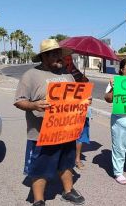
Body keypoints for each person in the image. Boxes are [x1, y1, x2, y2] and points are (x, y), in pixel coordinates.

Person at [14, 39, 85, 206]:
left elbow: (74, 99)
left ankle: (68, 191)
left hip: (66, 131)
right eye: (53, 54)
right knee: (40, 167)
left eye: (59, 54)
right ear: (43, 57)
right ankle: (39, 200)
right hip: (41, 134)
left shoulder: (67, 75)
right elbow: (19, 101)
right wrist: (34, 105)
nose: (58, 57)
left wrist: (83, 102)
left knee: (66, 163)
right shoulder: (31, 75)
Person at [63, 55, 91, 170]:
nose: (68, 61)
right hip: (64, 111)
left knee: (80, 135)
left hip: (79, 109)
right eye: (66, 59)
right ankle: (64, 159)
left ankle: (77, 159)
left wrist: (84, 81)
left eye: (69, 59)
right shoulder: (58, 74)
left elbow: (86, 87)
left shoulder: (77, 73)